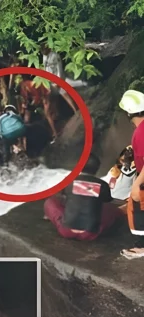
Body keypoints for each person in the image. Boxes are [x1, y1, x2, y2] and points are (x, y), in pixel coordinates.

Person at [43, 153, 121, 241]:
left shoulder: (69, 181)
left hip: (66, 231)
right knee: (110, 208)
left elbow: (60, 197)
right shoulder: (103, 185)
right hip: (91, 233)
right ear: (97, 168)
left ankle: (49, 217)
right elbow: (108, 200)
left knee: (50, 202)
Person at [118, 90, 144, 259]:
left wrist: (137, 184)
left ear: (128, 113)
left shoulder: (141, 132)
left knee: (135, 209)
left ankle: (141, 247)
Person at [41, 44, 79, 141]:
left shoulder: (55, 55)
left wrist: (58, 80)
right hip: (50, 82)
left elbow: (59, 69)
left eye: (44, 50)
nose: (43, 52)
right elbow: (45, 69)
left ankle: (76, 111)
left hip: (57, 79)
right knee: (55, 101)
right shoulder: (44, 57)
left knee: (65, 95)